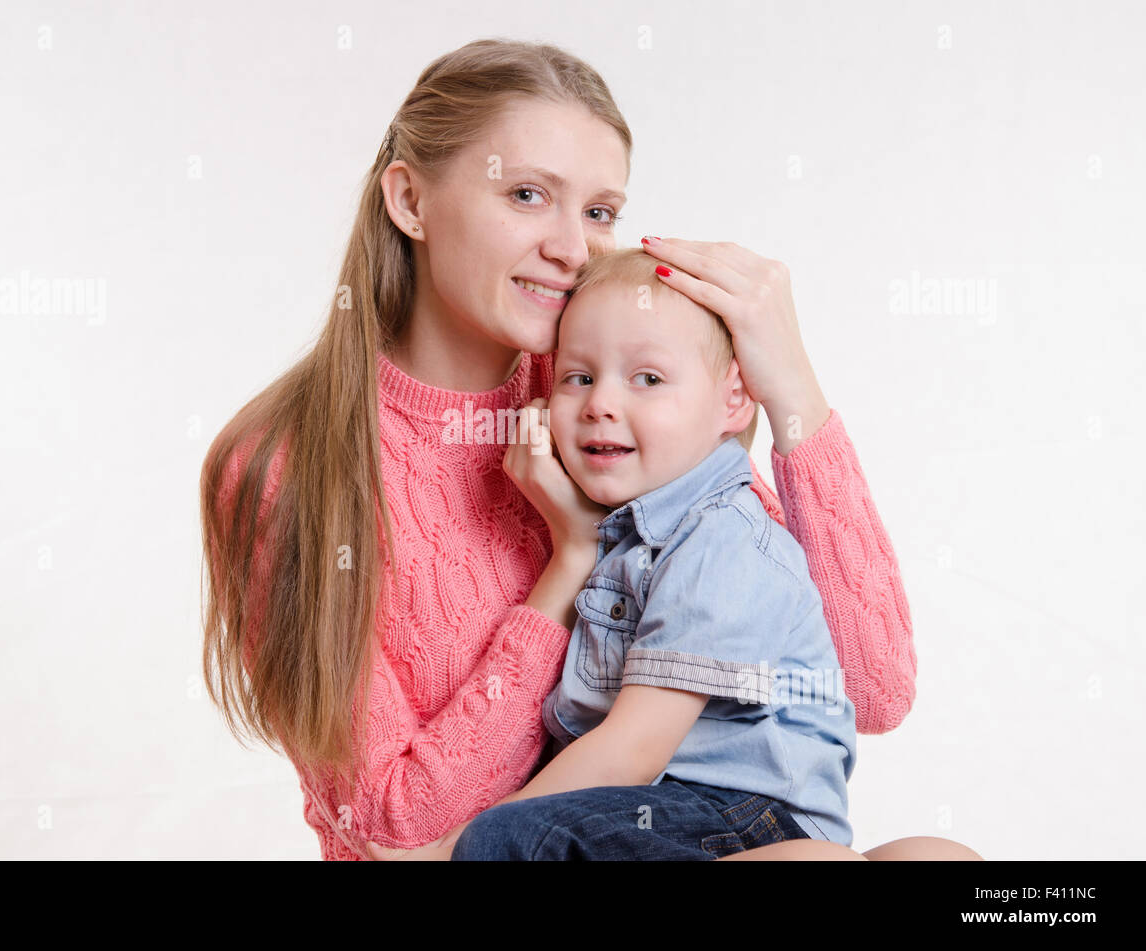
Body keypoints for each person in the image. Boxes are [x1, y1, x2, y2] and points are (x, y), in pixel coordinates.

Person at [200, 38, 973, 861]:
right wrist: (567, 566)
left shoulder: (609, 393)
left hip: (652, 840)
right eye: (528, 194)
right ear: (411, 200)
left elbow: (871, 687)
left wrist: (793, 397)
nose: (574, 248)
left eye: (600, 211)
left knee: (935, 860)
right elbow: (395, 833)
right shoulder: (284, 463)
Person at [383, 246, 856, 860]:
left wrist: (445, 853)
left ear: (734, 400)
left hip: (745, 811)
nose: (600, 403)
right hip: (665, 807)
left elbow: (632, 749)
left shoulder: (721, 537)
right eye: (578, 377)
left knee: (513, 837)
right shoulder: (622, 528)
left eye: (648, 380)